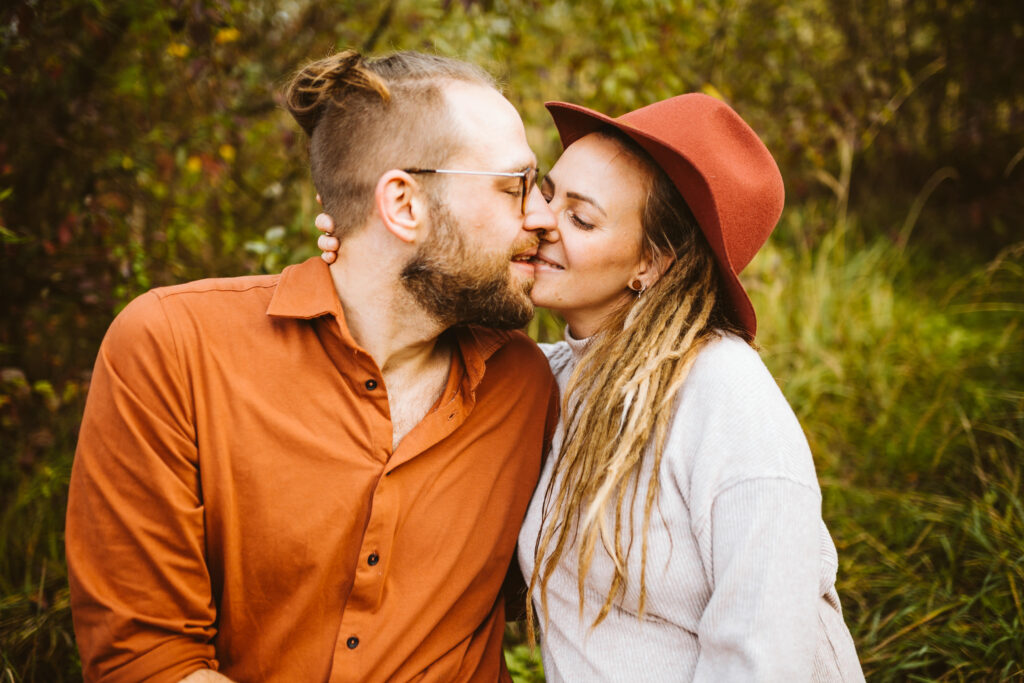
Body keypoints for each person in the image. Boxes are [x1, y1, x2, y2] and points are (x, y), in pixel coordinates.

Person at [318, 94, 864, 680]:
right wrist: (375, 253)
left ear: (653, 263)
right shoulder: (539, 379)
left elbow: (761, 658)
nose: (540, 220)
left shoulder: (723, 394)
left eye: (581, 218)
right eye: (547, 193)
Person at [65, 50, 562, 683]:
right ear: (404, 205)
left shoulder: (528, 386)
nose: (541, 216)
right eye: (515, 185)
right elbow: (145, 659)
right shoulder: (174, 347)